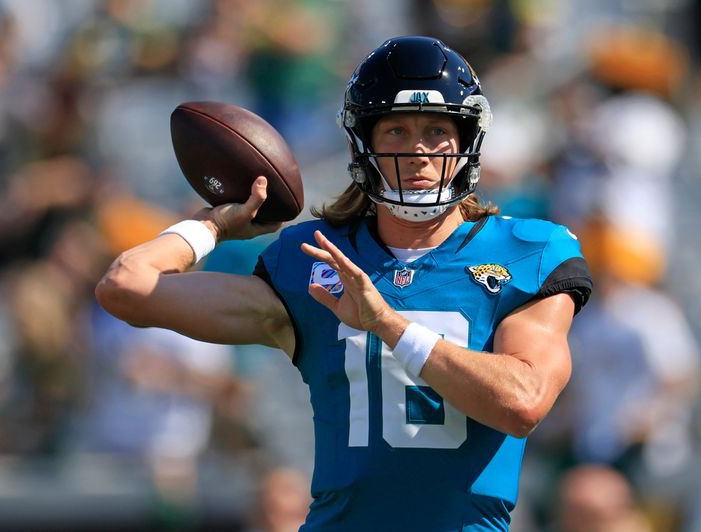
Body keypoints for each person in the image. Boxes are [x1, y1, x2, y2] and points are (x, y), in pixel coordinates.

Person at [96, 36, 593, 531]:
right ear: (363, 143)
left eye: (436, 130)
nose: (418, 151)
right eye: (396, 129)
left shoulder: (529, 251)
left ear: (466, 141)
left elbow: (523, 402)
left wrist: (389, 325)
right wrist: (214, 226)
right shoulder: (313, 259)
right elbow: (126, 286)